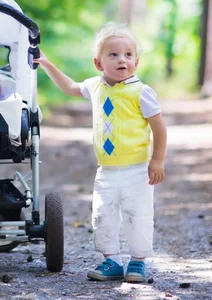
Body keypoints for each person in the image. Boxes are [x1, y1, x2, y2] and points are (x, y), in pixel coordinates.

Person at [34, 23, 167, 283]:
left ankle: (137, 262)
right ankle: (112, 261)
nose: (122, 60)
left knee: (137, 215)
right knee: (103, 215)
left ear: (136, 62)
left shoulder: (141, 92)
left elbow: (159, 128)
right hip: (106, 171)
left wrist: (157, 160)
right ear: (99, 63)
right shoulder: (95, 86)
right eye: (114, 55)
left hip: (138, 170)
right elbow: (70, 87)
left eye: (128, 55)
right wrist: (48, 64)